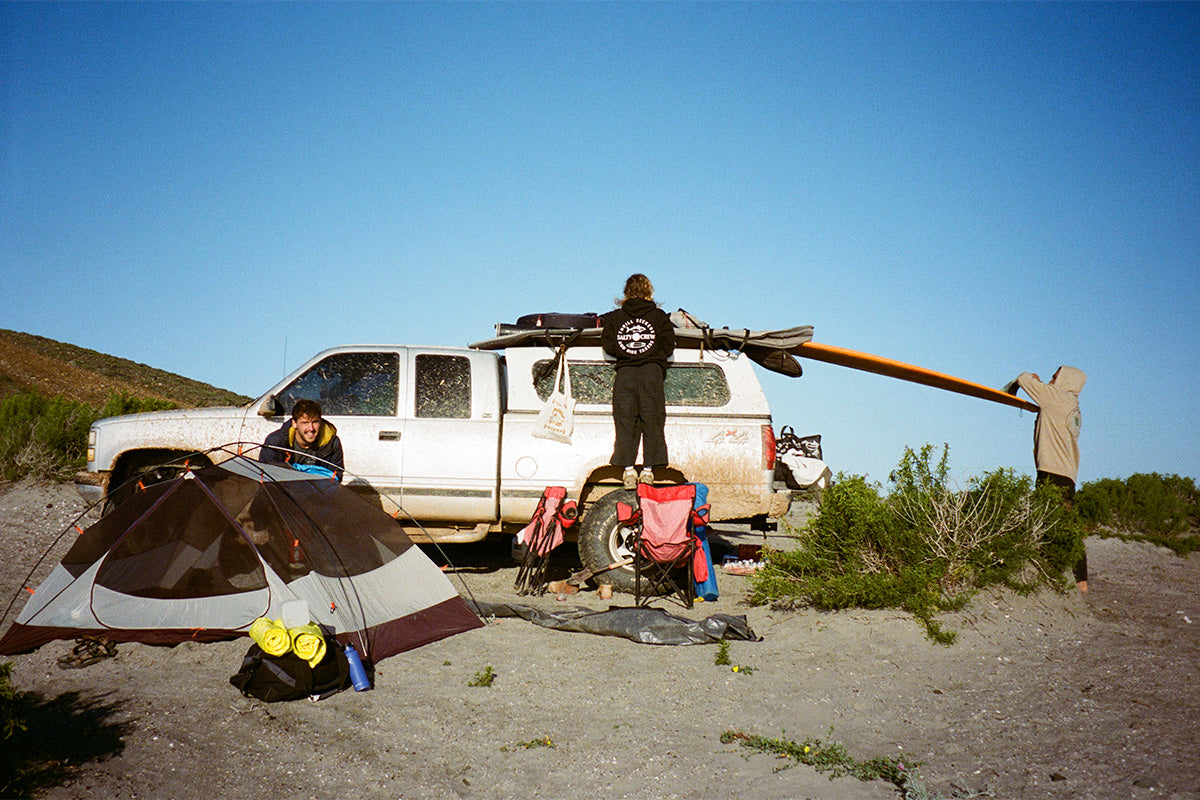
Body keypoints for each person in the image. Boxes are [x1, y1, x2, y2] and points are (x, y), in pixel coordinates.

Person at [1014, 366, 1088, 593]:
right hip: (1065, 474)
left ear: (1066, 380)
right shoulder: (1070, 405)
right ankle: (1075, 578)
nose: (1051, 379)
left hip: (1052, 472)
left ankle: (1080, 582)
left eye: (1055, 377)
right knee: (1062, 523)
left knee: (1058, 525)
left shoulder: (1056, 398)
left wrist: (1031, 381)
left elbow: (1023, 378)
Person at [601, 274, 675, 489]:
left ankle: (628, 471)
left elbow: (608, 346)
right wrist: (653, 356)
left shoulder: (615, 318)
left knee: (625, 421)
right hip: (651, 373)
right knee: (652, 420)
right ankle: (649, 471)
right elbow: (668, 346)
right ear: (649, 292)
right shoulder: (660, 317)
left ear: (626, 293)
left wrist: (627, 355)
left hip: (625, 373)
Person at [260, 398, 345, 481]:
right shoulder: (275, 442)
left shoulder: (332, 442)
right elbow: (267, 476)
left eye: (315, 422)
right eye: (305, 423)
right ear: (294, 423)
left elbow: (336, 477)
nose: (311, 428)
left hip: (319, 490)